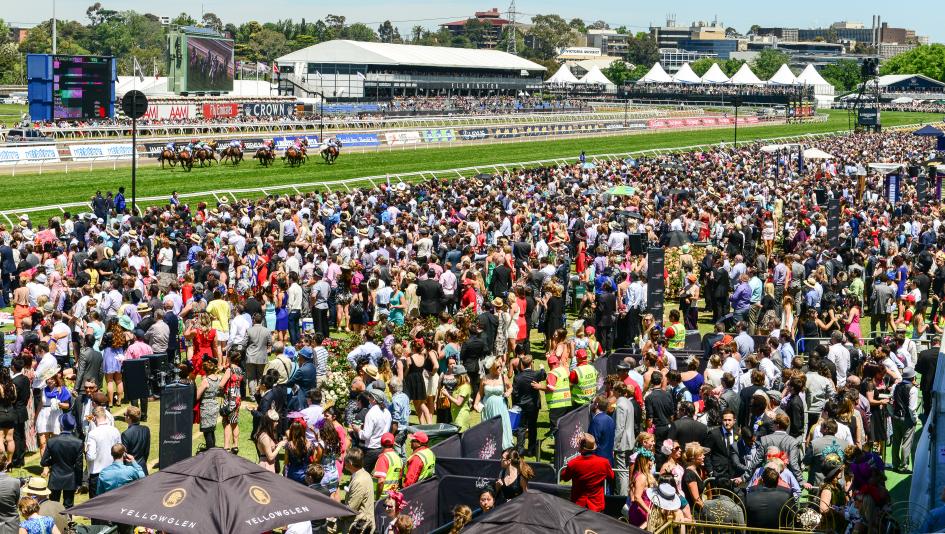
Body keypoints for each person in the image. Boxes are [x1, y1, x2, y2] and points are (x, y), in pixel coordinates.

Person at [560, 434, 614, 512]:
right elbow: (611, 476)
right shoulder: (604, 462)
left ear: (581, 447)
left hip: (578, 505)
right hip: (597, 505)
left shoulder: (573, 463)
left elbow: (565, 477)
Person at [40, 413, 82, 508]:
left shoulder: (52, 441)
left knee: (53, 506)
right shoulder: (78, 443)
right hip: (70, 479)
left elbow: (43, 462)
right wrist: (79, 483)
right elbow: (79, 466)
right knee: (68, 507)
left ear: (61, 425)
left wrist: (54, 461)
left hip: (55, 478)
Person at [475, 356, 513, 450]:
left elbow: (510, 387)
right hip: (488, 407)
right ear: (492, 368)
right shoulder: (484, 379)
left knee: (501, 426)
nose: (500, 368)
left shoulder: (503, 377)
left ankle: (503, 447)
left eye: (501, 366)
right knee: (489, 427)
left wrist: (508, 392)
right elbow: (480, 392)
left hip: (500, 407)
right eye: (497, 367)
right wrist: (476, 404)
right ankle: (490, 448)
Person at [84, 406, 121, 499]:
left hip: (97, 474)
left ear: (94, 417)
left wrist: (85, 452)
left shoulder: (93, 434)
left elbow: (91, 456)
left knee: (96, 504)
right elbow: (120, 451)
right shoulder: (115, 431)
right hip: (113, 472)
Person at [340, 448, 375, 534]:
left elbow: (350, 509)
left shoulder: (359, 481)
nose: (343, 461)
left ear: (350, 463)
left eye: (345, 459)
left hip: (359, 526)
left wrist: (336, 515)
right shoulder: (361, 473)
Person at [890, 367, 919, 473]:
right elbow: (912, 408)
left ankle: (895, 464)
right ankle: (903, 466)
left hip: (896, 417)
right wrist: (915, 419)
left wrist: (892, 414)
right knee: (906, 443)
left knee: (896, 442)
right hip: (907, 419)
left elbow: (891, 400)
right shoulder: (913, 389)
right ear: (913, 377)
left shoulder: (895, 386)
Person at [587, 395, 615, 465]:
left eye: (593, 403)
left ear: (596, 405)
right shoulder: (610, 419)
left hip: (598, 461)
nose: (591, 405)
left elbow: (592, 442)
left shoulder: (596, 421)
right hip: (609, 459)